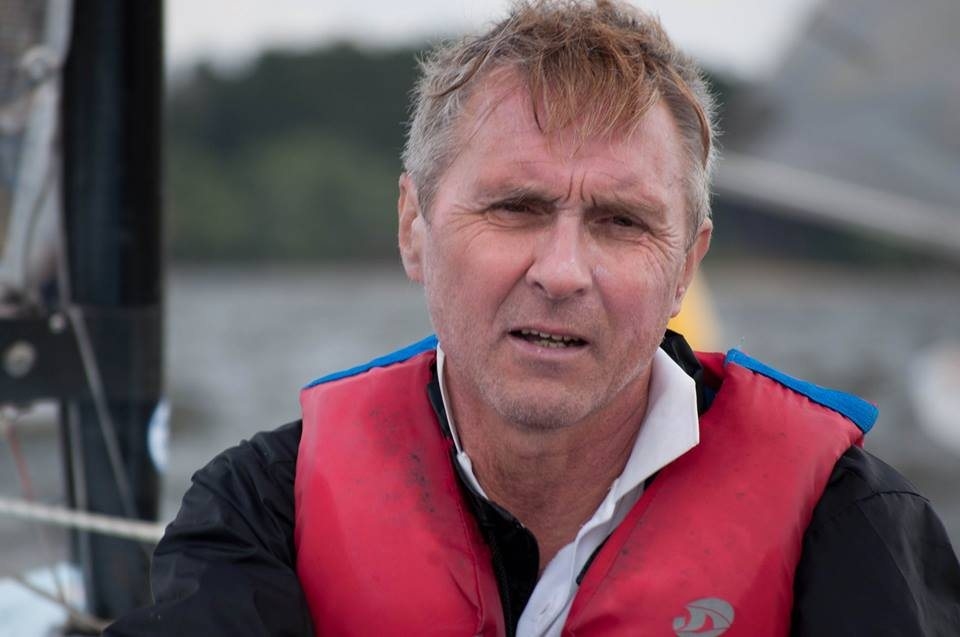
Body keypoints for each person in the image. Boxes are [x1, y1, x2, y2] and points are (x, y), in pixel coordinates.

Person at [106, 1, 960, 635]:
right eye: (515, 208)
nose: (561, 272)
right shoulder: (263, 511)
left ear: (685, 265)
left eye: (621, 221)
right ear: (413, 227)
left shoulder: (847, 521)